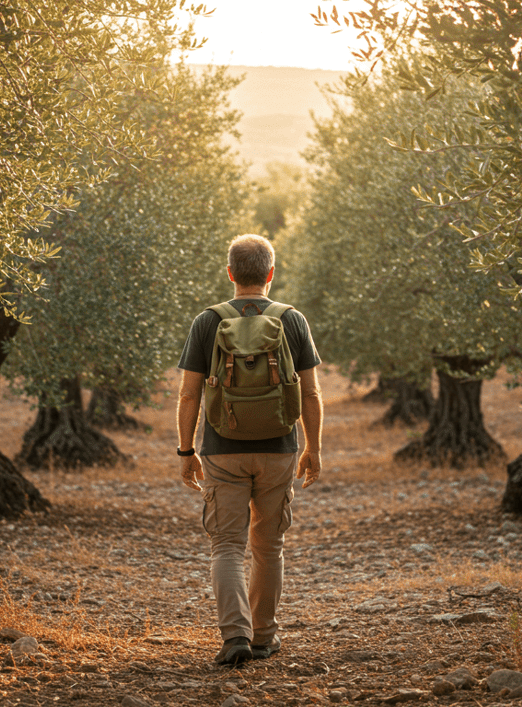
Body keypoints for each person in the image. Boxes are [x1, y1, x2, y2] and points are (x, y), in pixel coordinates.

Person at [176, 234, 323, 666]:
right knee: (268, 546)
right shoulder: (292, 320)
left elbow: (188, 395)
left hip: (222, 449)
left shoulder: (208, 321)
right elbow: (311, 394)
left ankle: (235, 637)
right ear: (270, 274)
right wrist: (313, 447)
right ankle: (263, 637)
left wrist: (187, 452)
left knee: (226, 546)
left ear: (230, 274)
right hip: (279, 449)